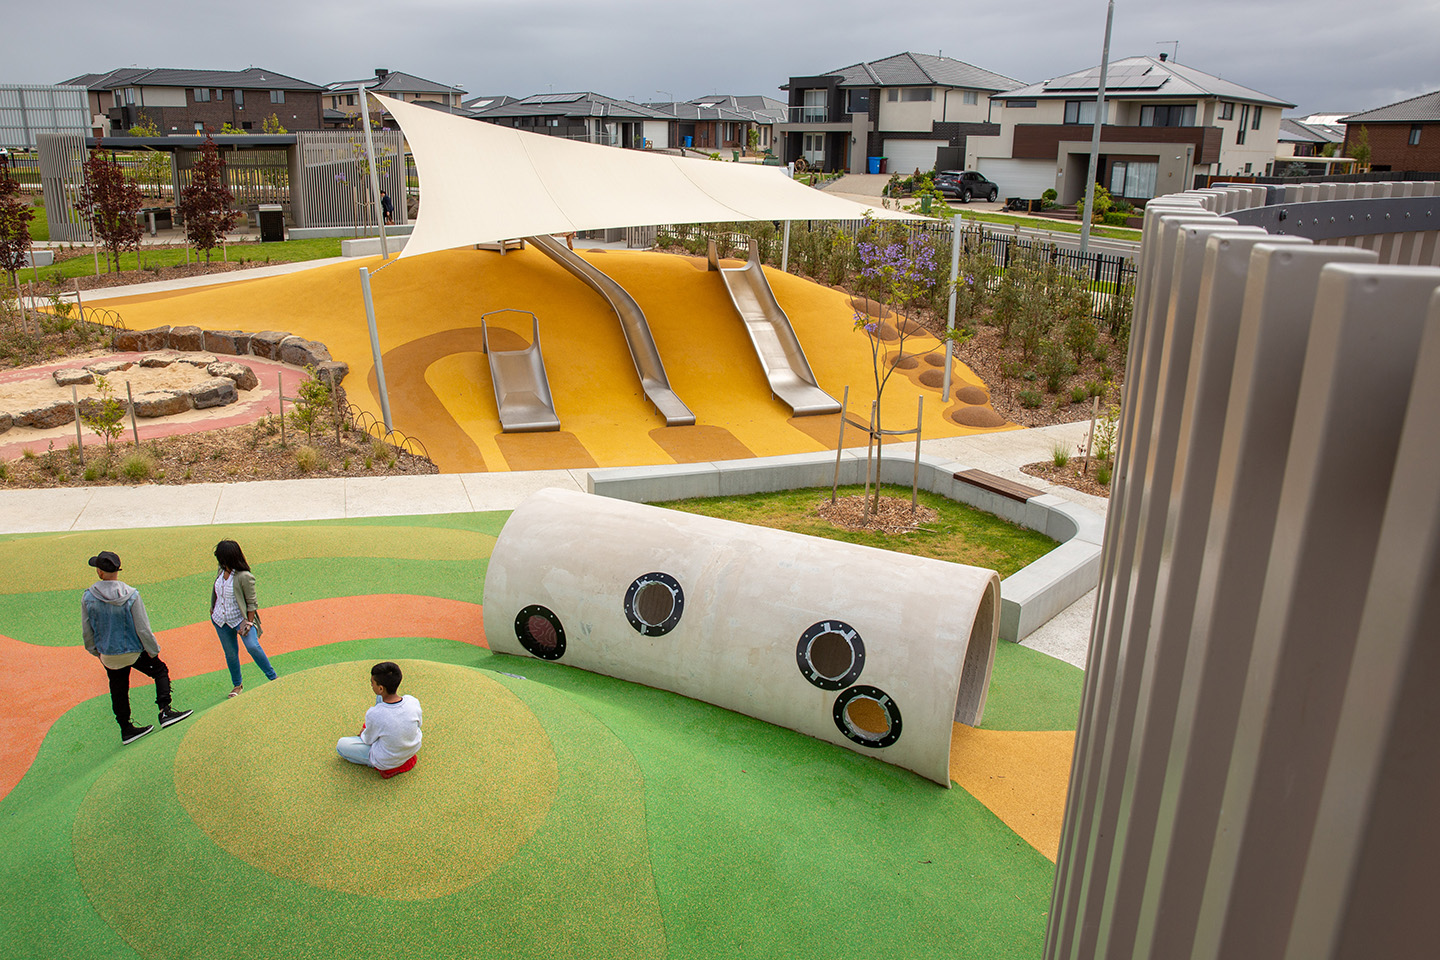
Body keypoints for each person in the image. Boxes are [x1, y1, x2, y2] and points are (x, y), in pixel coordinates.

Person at [81, 551, 193, 745]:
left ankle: (126, 729)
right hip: (133, 650)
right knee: (160, 670)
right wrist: (152, 649)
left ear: (99, 572)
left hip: (107, 654)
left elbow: (87, 630)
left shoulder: (88, 597)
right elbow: (142, 627)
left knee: (118, 688)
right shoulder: (131, 594)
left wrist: (96, 652)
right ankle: (165, 711)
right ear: (118, 570)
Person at [210, 540, 277, 698]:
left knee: (253, 646)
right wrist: (213, 610)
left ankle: (273, 678)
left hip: (240, 619)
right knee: (231, 654)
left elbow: (251, 602)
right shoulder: (221, 571)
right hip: (221, 620)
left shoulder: (244, 577)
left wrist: (249, 622)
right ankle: (237, 685)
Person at [336, 661, 422, 777]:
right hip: (411, 749)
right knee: (380, 700)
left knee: (341, 746)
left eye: (372, 683)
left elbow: (368, 739)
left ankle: (388, 765)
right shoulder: (412, 701)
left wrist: (363, 732)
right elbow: (419, 725)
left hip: (386, 760)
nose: (371, 685)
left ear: (380, 688)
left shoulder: (374, 714)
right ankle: (400, 755)